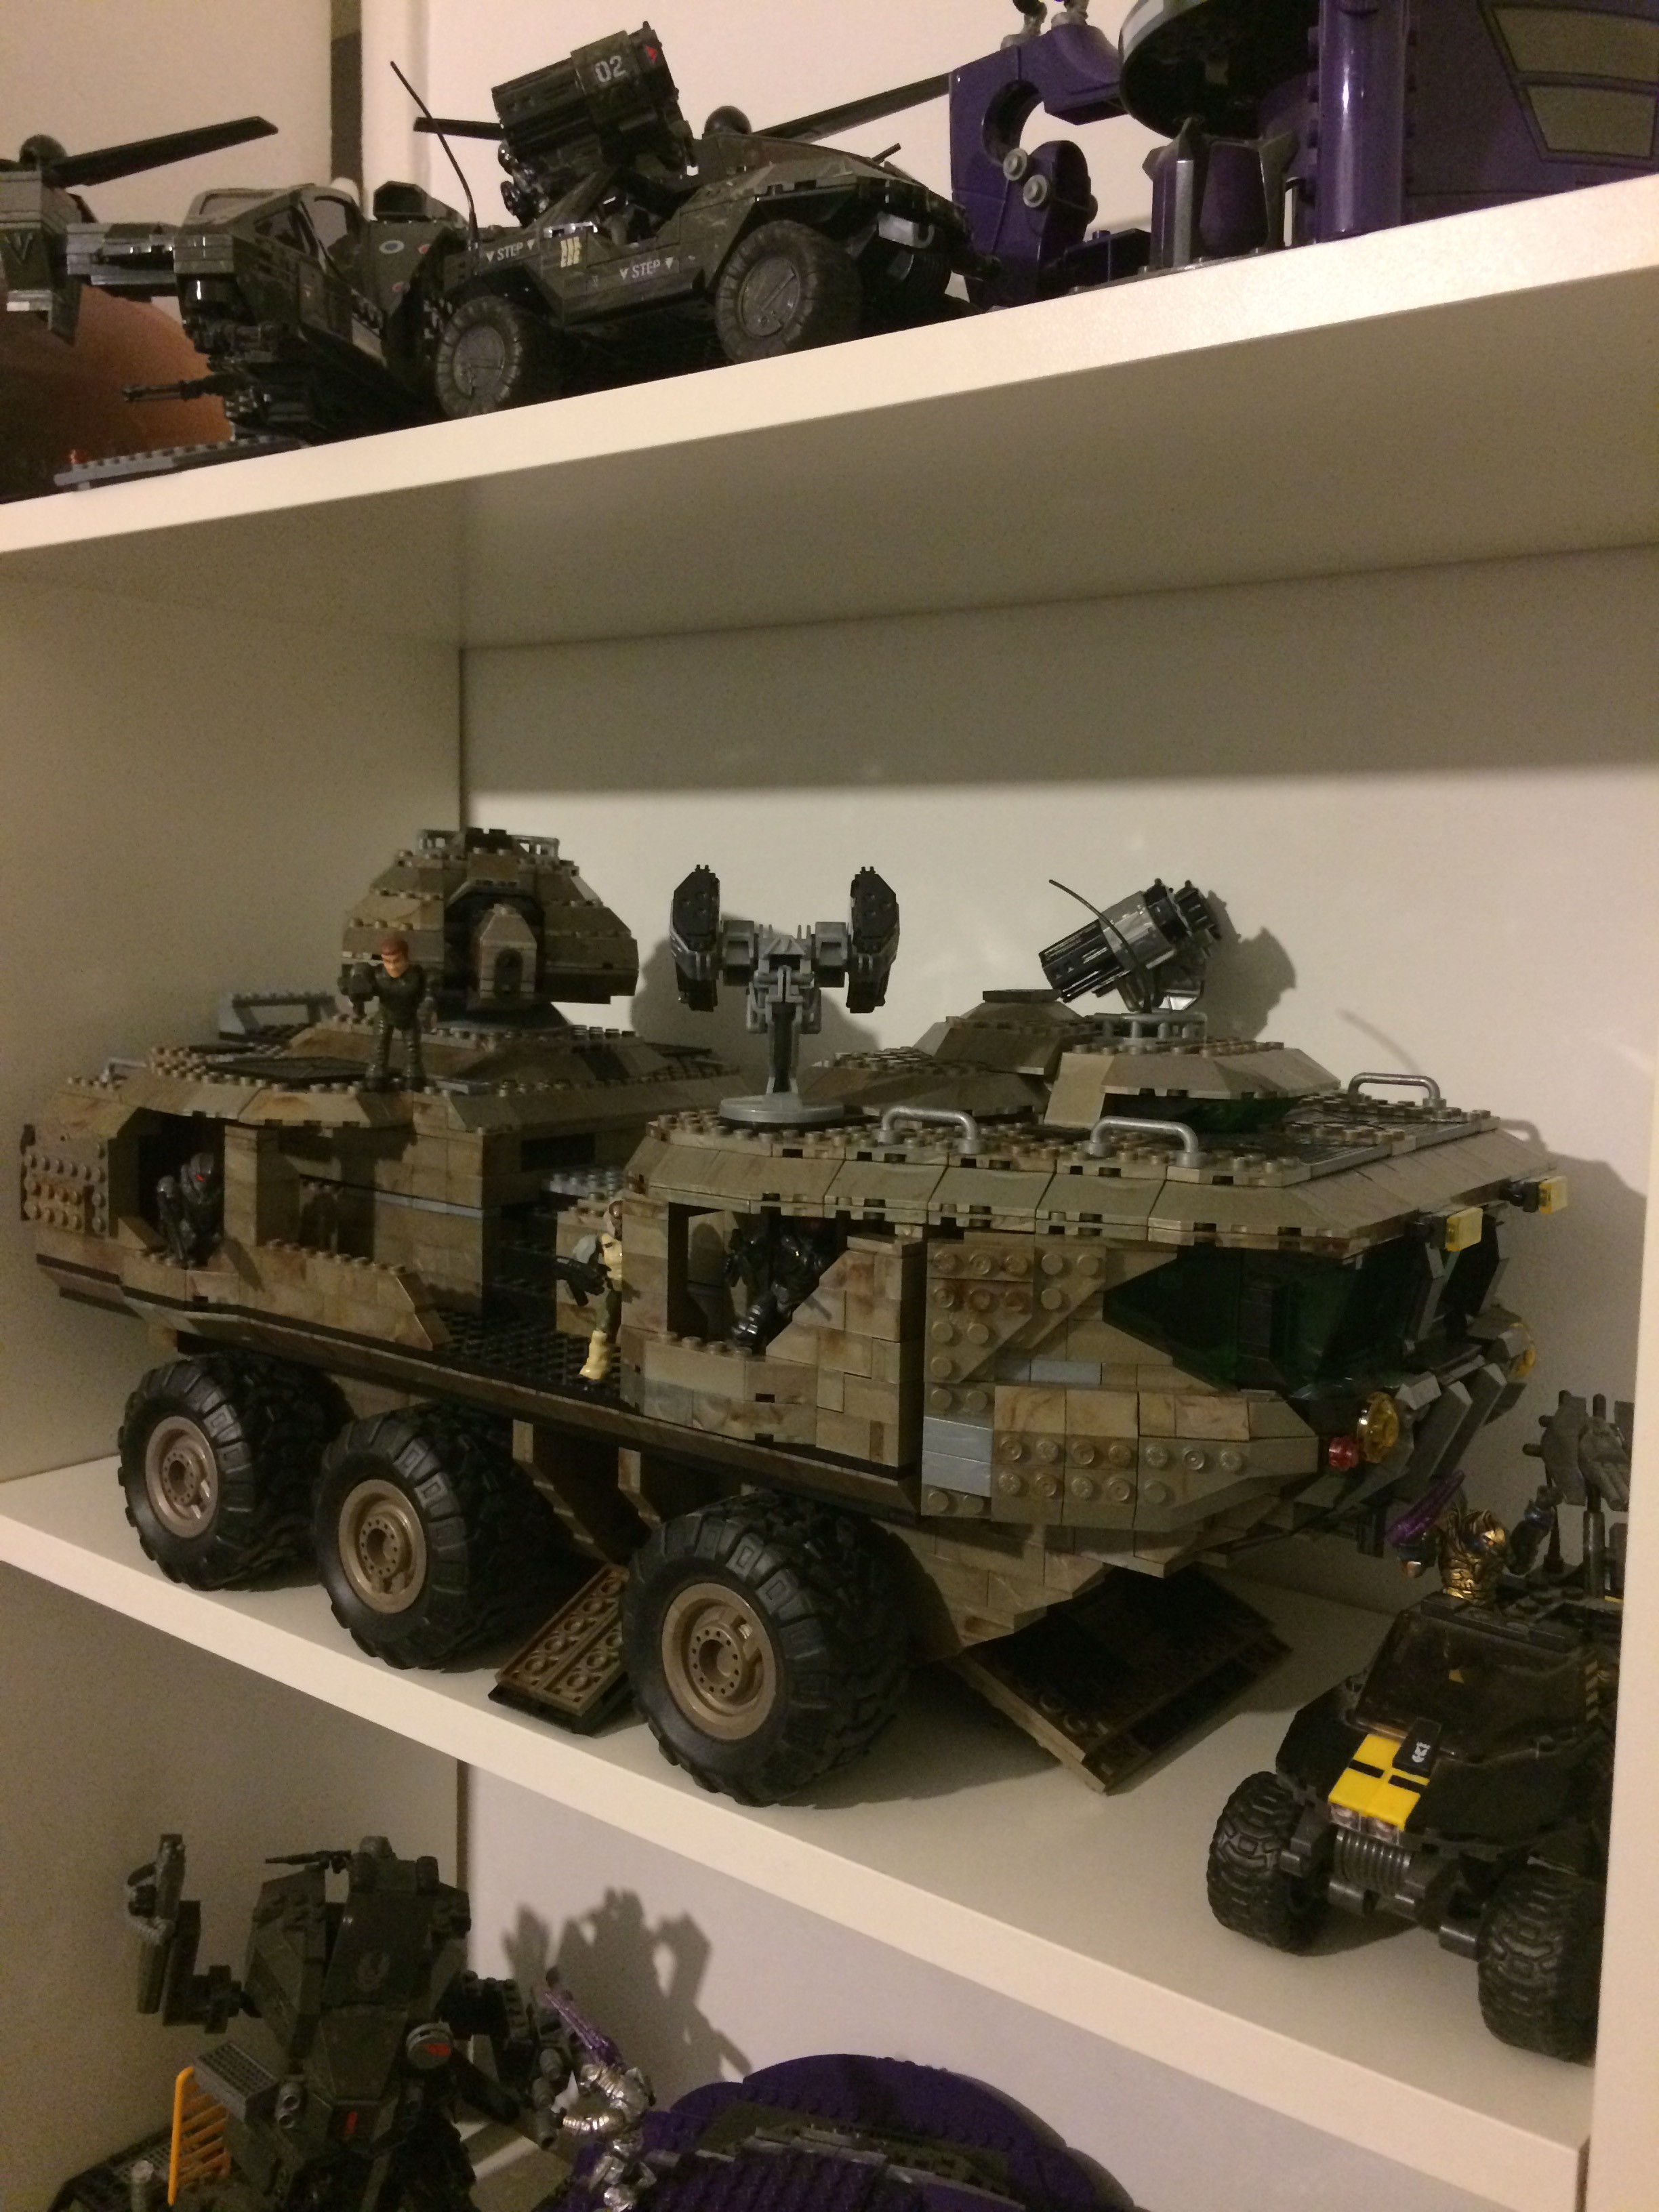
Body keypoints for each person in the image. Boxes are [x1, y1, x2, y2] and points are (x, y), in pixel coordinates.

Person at [352, 933, 430, 1090]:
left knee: (412, 1048)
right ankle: (377, 1073)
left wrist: (427, 1009)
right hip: (385, 1014)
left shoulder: (416, 976)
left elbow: (428, 994)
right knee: (379, 1046)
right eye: (388, 962)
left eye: (397, 961)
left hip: (409, 1015)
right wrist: (358, 1000)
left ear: (406, 958)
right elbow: (361, 986)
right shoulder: (378, 976)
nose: (393, 967)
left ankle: (413, 1073)